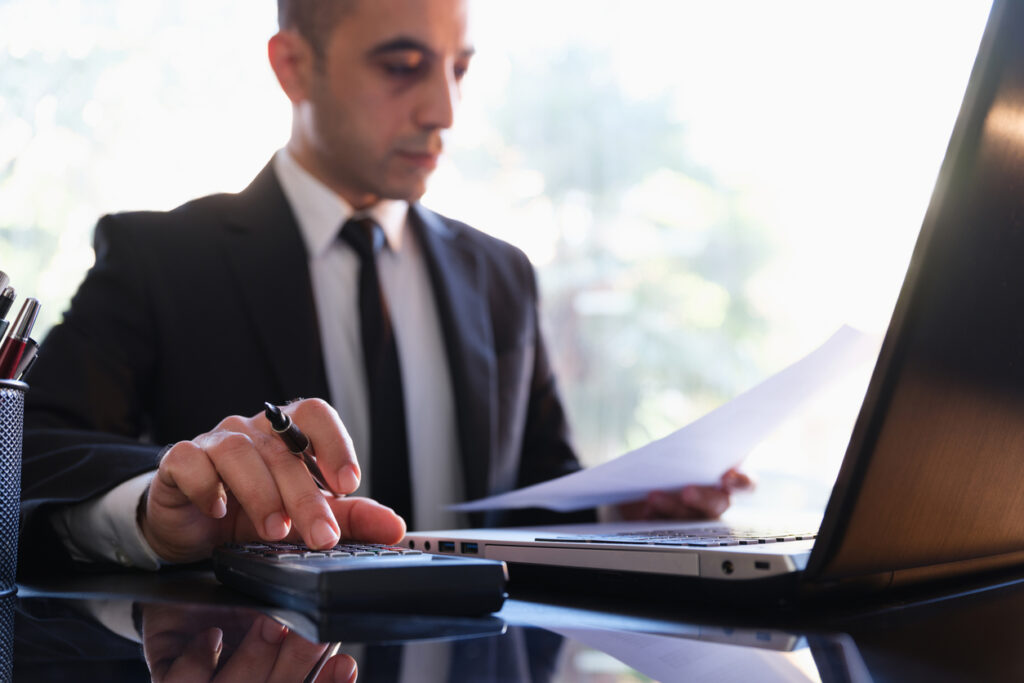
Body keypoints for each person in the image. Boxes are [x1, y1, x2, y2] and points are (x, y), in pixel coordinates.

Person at [19, 0, 749, 575]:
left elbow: (537, 486)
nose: (445, 112)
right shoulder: (161, 259)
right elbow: (25, 449)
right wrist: (154, 506)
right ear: (294, 66)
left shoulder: (502, 277)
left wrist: (618, 510)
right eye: (403, 65)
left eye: (458, 68)